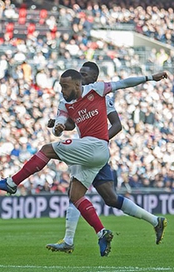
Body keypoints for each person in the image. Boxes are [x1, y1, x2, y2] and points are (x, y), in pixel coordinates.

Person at [0, 69, 168, 257]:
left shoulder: (97, 90)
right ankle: (101, 233)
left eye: (65, 86)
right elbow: (60, 126)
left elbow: (123, 83)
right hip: (88, 151)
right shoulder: (64, 103)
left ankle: (12, 183)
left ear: (78, 84)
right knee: (76, 195)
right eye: (60, 87)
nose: (62, 91)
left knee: (47, 150)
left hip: (97, 146)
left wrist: (149, 78)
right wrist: (58, 128)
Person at [45, 62, 167, 254]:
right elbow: (71, 123)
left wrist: (98, 142)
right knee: (104, 197)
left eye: (84, 74)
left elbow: (117, 125)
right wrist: (59, 124)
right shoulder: (76, 99)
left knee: (83, 194)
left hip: (94, 151)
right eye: (79, 73)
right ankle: (155, 220)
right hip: (87, 150)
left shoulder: (102, 97)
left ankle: (69, 240)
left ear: (94, 78)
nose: (80, 76)